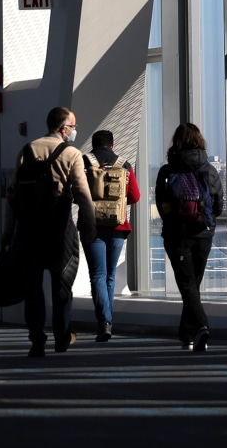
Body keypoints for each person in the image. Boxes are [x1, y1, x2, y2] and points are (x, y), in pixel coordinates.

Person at [13, 107, 96, 357]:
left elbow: (15, 195)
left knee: (33, 287)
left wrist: (10, 230)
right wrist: (89, 224)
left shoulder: (26, 151)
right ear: (63, 129)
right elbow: (82, 192)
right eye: (73, 126)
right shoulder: (71, 153)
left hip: (29, 228)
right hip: (59, 228)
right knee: (62, 284)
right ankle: (62, 337)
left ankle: (37, 340)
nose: (74, 130)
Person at [155, 123, 224, 353]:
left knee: (187, 284)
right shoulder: (210, 170)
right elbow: (218, 205)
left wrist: (174, 219)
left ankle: (201, 326)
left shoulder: (167, 171)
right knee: (192, 283)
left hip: (177, 235)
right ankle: (188, 335)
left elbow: (162, 205)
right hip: (203, 233)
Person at [82, 130, 141, 342]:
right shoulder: (124, 165)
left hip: (92, 226)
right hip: (117, 226)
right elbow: (135, 195)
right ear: (113, 146)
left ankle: (103, 322)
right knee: (110, 275)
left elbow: (76, 193)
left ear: (93, 146)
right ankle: (109, 321)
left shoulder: (85, 161)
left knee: (97, 274)